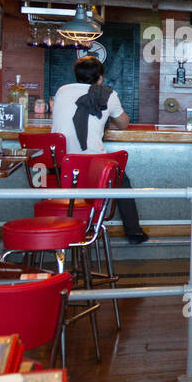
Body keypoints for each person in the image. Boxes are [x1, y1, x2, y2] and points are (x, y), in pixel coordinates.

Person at [49, 55, 148, 244]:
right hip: (91, 167)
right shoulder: (108, 94)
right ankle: (134, 232)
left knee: (77, 177)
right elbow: (123, 124)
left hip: (60, 165)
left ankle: (63, 225)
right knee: (120, 178)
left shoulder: (62, 91)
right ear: (100, 77)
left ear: (76, 75)